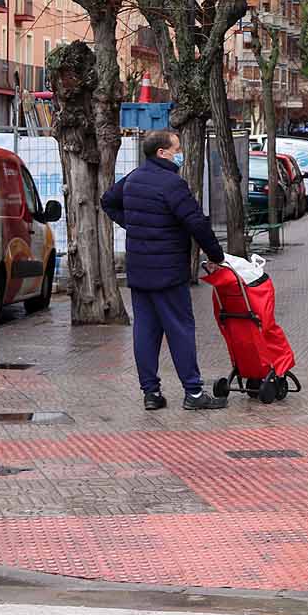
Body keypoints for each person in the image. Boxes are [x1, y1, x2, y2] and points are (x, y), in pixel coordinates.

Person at [102, 129, 229, 412]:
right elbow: (196, 222)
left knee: (145, 331)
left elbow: (107, 201)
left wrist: (133, 225)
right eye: (176, 149)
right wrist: (216, 255)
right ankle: (193, 392)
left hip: (140, 271)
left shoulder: (134, 179)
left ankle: (151, 393)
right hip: (169, 270)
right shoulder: (172, 184)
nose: (179, 153)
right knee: (180, 329)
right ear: (162, 152)